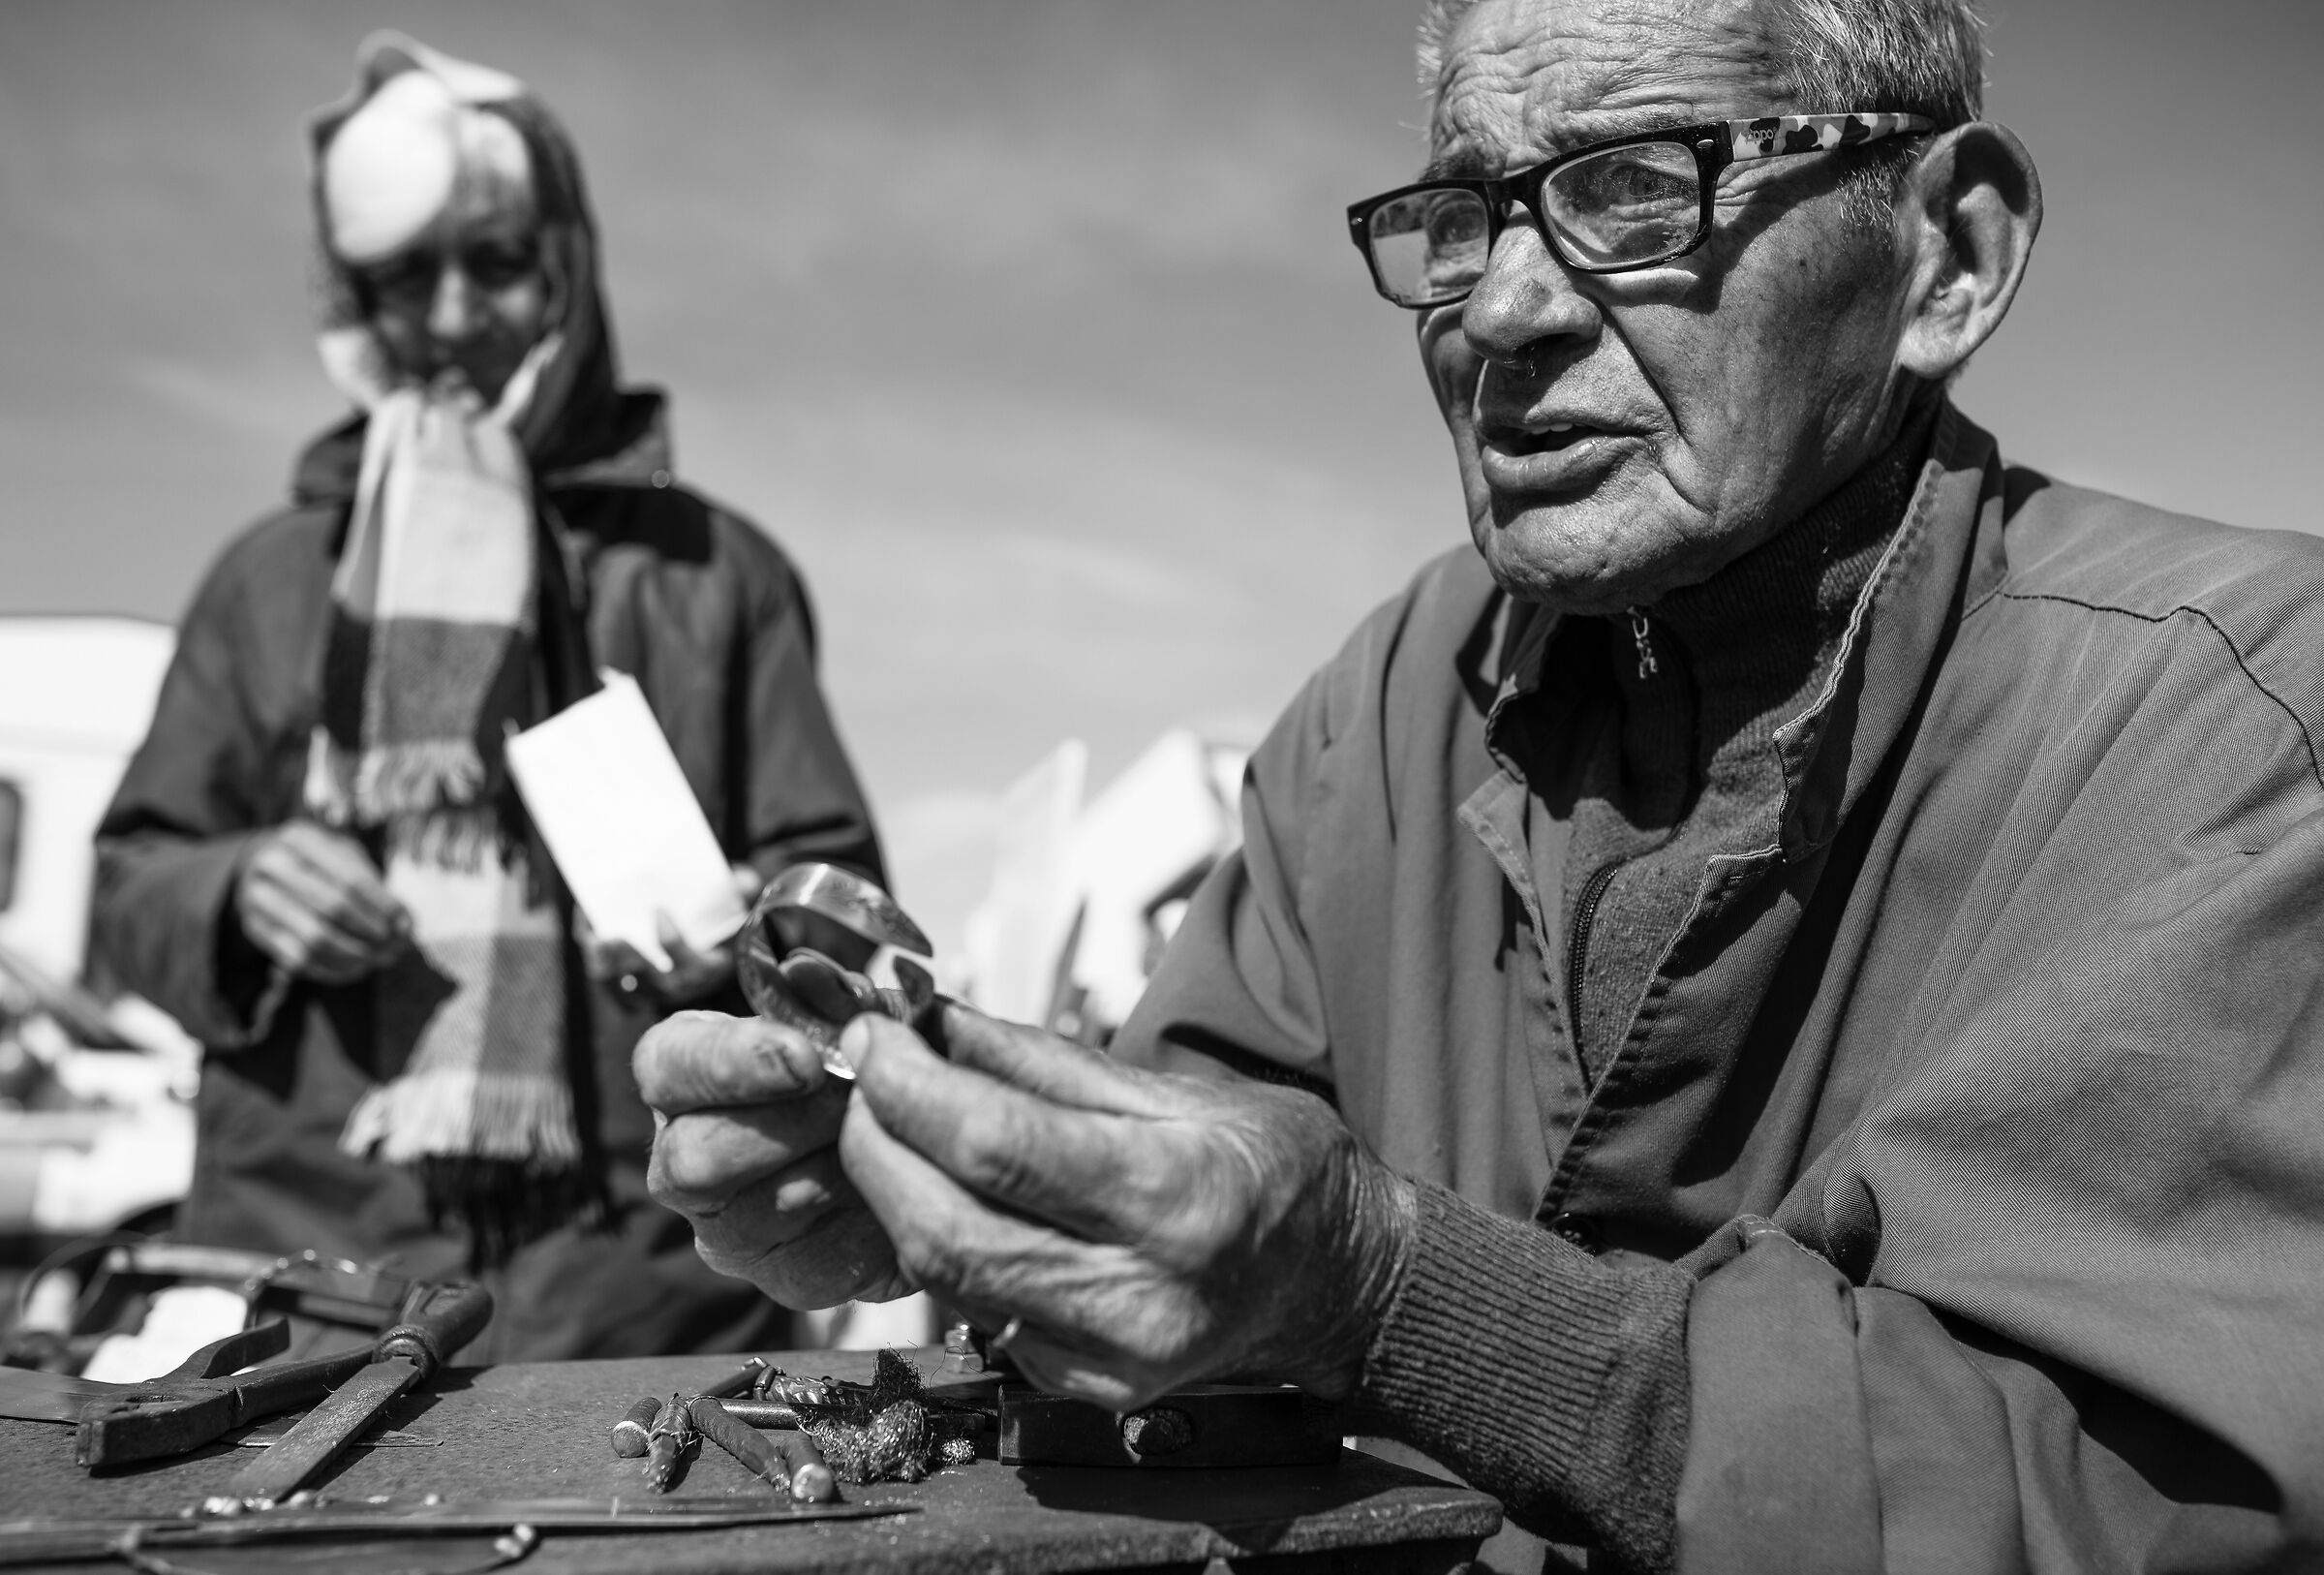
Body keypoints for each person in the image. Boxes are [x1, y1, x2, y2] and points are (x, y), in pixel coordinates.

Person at [632, 0, 2324, 1567]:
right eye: (1467, 213)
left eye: (1636, 185)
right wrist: (954, 1192)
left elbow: (2110, 1495)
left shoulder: (2235, 731)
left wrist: (1381, 1291)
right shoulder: (1388, 702)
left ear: (1947, 257)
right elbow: (1194, 1203)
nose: (1503, 309)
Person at [93, 35, 886, 1362]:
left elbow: (838, 890)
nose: (454, 316)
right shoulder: (267, 580)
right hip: (312, 1283)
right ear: (352, 299)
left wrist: (737, 928)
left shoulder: (719, 575)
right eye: (405, 276)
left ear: (567, 264)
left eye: (498, 261)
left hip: (645, 1289)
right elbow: (128, 889)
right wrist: (235, 888)